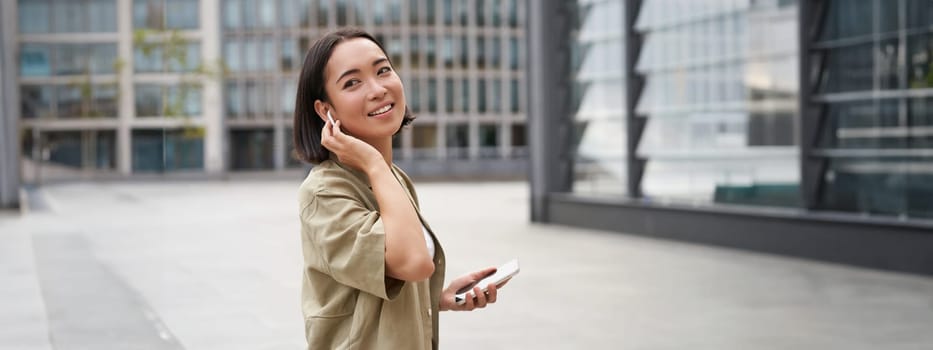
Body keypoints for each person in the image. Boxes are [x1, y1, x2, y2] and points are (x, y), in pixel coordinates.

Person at [292, 28, 505, 350]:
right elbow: (413, 262)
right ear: (326, 111)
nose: (377, 89)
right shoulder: (325, 192)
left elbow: (386, 277)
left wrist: (439, 298)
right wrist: (375, 163)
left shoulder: (391, 177)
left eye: (383, 70)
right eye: (352, 82)